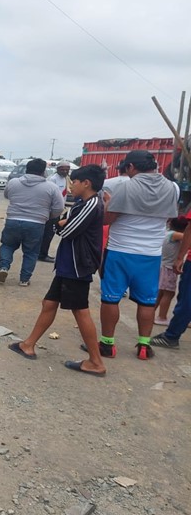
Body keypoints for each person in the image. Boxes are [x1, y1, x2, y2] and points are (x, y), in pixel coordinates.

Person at [8, 165, 107, 375]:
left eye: (75, 182)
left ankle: (96, 362)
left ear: (86, 183)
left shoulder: (92, 204)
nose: (72, 186)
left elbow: (66, 229)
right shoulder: (82, 203)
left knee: (80, 311)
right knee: (49, 303)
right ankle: (29, 344)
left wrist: (61, 224)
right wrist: (61, 223)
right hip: (67, 264)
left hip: (77, 265)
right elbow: (60, 221)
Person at [90, 150, 179, 360]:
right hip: (151, 254)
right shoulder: (172, 187)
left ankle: (107, 344)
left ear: (130, 167)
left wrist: (109, 204)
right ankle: (144, 346)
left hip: (121, 251)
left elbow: (106, 220)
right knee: (147, 302)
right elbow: (169, 217)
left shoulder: (125, 186)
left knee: (110, 299)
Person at [0, 159, 63, 287]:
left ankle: (4, 267)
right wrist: (47, 216)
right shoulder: (51, 187)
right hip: (36, 223)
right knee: (31, 252)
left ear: (27, 168)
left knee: (7, 245)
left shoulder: (13, 182)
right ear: (43, 171)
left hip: (13, 220)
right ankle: (24, 279)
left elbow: (7, 195)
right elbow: (59, 208)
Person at [154, 217, 187, 326]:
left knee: (161, 292)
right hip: (168, 268)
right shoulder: (176, 235)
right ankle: (162, 317)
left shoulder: (167, 232)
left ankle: (152, 312)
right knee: (169, 293)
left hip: (162, 265)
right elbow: (187, 238)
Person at [39, 162, 72, 262]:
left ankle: (42, 252)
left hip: (59, 210)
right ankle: (42, 254)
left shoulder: (66, 179)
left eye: (67, 169)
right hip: (52, 211)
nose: (65, 171)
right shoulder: (52, 179)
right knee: (48, 233)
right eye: (63, 169)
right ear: (57, 169)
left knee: (51, 233)